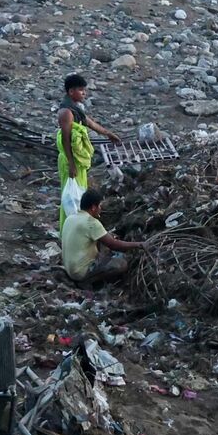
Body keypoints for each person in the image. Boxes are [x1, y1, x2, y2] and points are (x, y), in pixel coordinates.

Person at [56, 74, 121, 233]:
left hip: (78, 160)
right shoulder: (66, 112)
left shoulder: (76, 108)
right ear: (71, 91)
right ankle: (69, 230)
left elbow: (90, 123)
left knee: (79, 193)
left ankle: (78, 226)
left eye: (84, 90)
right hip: (70, 161)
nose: (84, 93)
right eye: (81, 90)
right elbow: (66, 139)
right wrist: (71, 164)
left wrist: (108, 133)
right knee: (71, 196)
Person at [60, 190, 144, 284]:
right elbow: (114, 245)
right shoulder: (91, 222)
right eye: (99, 206)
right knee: (122, 263)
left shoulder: (70, 218)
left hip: (69, 269)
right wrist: (139, 244)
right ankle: (88, 281)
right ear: (93, 207)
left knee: (102, 243)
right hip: (79, 273)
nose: (100, 209)